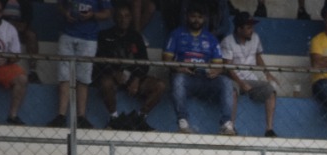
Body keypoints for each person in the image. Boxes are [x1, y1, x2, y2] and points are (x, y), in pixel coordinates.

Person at [95, 0, 165, 131]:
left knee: (160, 86)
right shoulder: (104, 35)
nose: (123, 19)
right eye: (120, 16)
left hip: (133, 78)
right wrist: (114, 73)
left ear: (131, 18)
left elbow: (144, 63)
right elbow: (99, 62)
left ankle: (140, 118)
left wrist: (137, 79)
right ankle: (114, 118)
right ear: (114, 18)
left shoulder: (136, 36)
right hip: (113, 77)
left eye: (127, 16)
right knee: (105, 83)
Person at [163, 2, 231, 134]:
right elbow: (166, 59)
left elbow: (218, 64)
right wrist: (179, 68)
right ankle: (183, 122)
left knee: (226, 82)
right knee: (178, 80)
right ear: (187, 17)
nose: (196, 20)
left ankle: (226, 124)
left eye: (200, 17)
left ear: (204, 19)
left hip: (205, 79)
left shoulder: (211, 38)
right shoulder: (176, 34)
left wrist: (215, 71)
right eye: (193, 16)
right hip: (186, 78)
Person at [49, 0, 112, 129]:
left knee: (84, 78)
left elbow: (107, 13)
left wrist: (92, 15)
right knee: (64, 76)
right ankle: (61, 116)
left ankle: (81, 117)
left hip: (88, 38)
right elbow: (60, 5)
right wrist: (65, 13)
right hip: (68, 34)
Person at [222, 10, 278, 138]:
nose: (251, 30)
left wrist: (267, 73)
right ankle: (231, 127)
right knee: (232, 91)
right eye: (248, 27)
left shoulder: (256, 38)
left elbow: (258, 57)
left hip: (250, 79)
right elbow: (228, 68)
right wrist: (241, 83)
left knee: (271, 91)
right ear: (239, 29)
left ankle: (269, 129)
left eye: (252, 27)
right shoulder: (227, 41)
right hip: (233, 79)